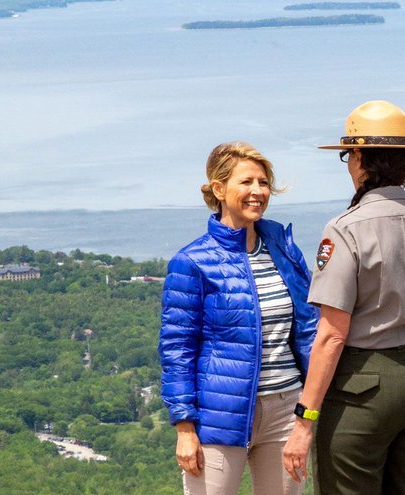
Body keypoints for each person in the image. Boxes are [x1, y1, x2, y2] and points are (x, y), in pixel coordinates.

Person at [281, 100, 405, 494]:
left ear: (358, 159)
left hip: (360, 388)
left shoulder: (345, 230)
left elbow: (332, 336)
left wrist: (304, 422)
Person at [160, 141, 319, 495]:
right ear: (219, 189)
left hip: (284, 409)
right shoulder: (192, 261)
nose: (258, 192)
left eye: (263, 183)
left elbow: (309, 326)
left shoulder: (284, 248)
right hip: (220, 413)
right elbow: (177, 351)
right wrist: (184, 429)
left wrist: (311, 404)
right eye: (246, 182)